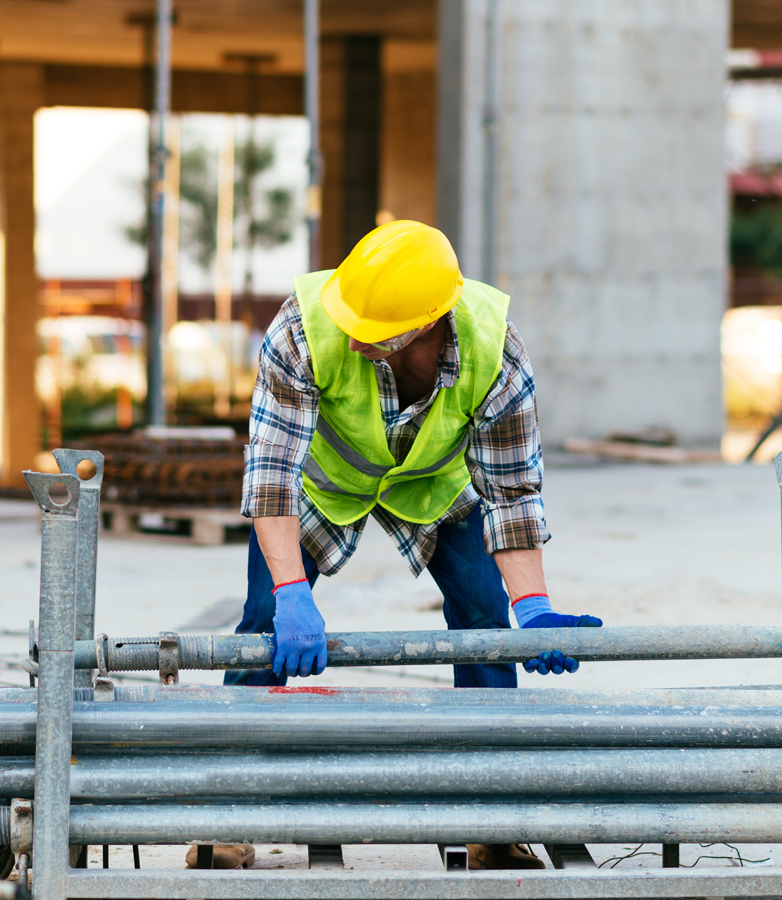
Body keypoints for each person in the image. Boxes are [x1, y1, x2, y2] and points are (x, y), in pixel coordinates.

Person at [190, 220, 602, 872]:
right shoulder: (301, 330)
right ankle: (226, 812)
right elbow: (269, 477)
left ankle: (492, 821)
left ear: (430, 324)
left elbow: (513, 495)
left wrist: (535, 609)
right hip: (322, 484)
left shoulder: (500, 357)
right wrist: (292, 591)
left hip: (436, 483)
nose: (352, 336)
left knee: (486, 624)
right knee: (265, 623)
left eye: (374, 331)